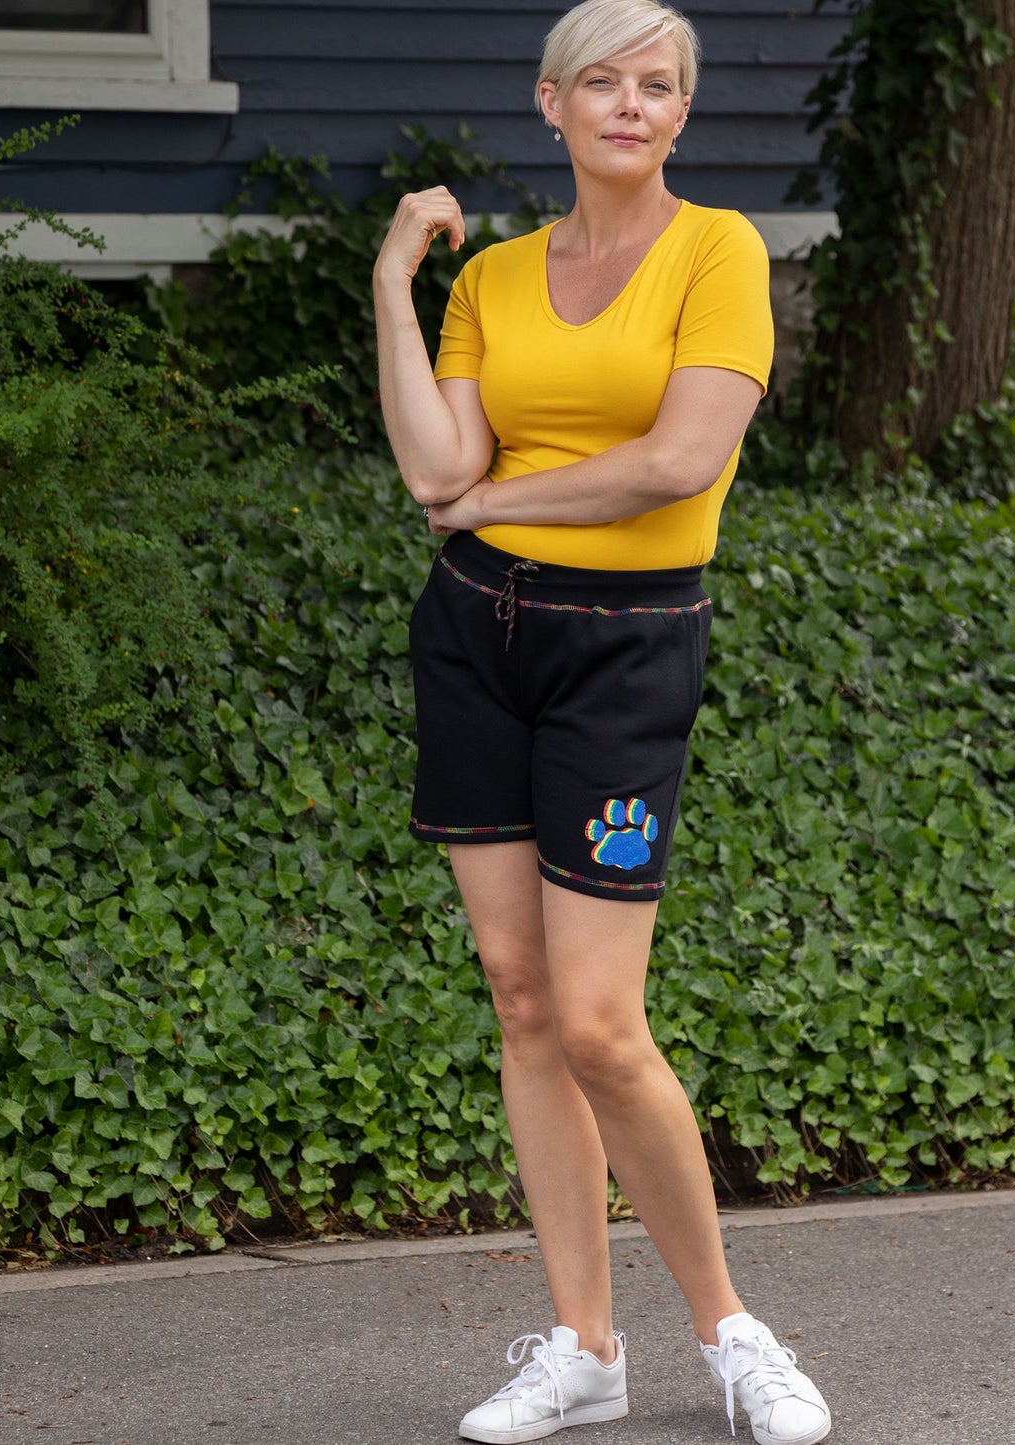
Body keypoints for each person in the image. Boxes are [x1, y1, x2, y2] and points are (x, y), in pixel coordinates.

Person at [371, 3, 832, 1442]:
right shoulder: (492, 278)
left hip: (626, 648)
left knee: (598, 1020)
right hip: (475, 637)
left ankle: (733, 1332)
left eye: (657, 85)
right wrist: (394, 282)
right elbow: (433, 463)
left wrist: (493, 498)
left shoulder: (719, 254)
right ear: (550, 105)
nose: (629, 105)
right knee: (520, 1001)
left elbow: (678, 458)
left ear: (679, 117)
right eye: (600, 83)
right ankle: (585, 1346)